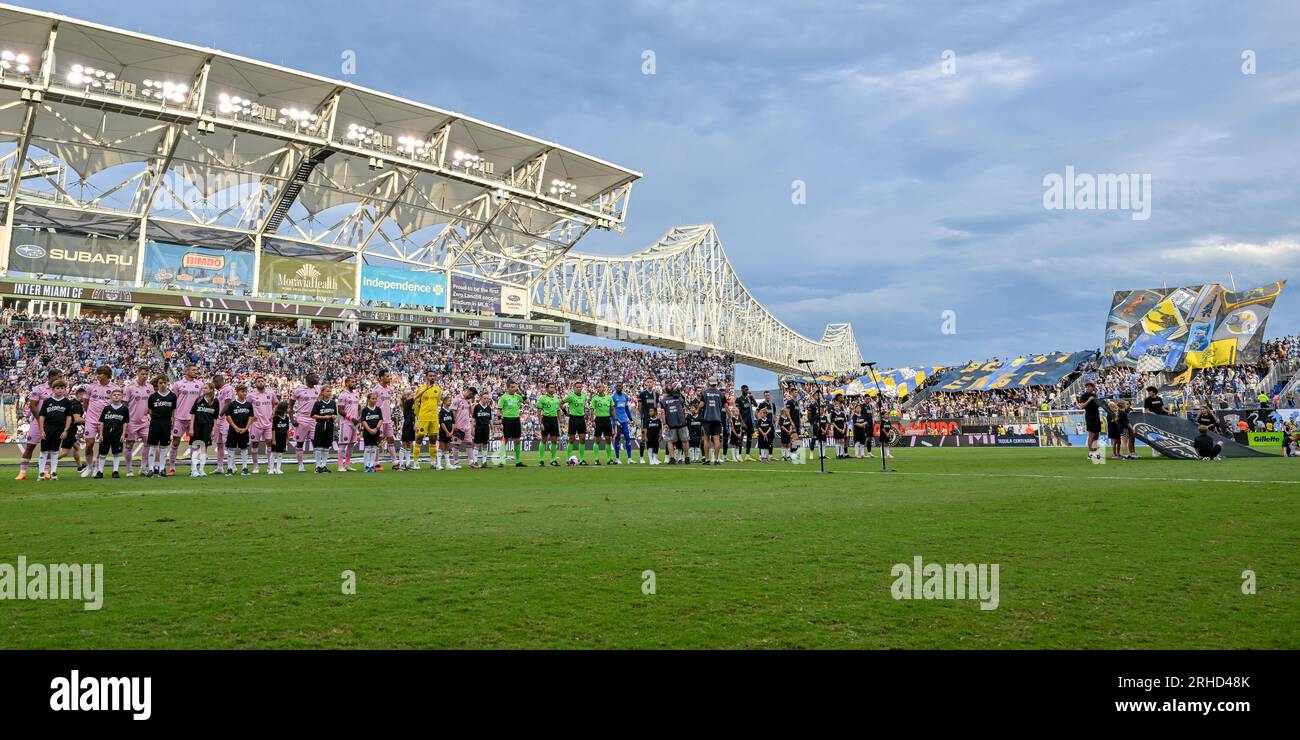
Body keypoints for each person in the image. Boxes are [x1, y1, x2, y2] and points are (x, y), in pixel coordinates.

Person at [16, 368, 61, 481]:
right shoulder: (39, 388)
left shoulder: (60, 390)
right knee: (30, 446)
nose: (60, 379)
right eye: (58, 376)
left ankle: (46, 472)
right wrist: (40, 419)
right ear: (51, 377)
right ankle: (22, 472)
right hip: (37, 423)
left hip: (52, 424)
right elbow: (32, 405)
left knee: (50, 448)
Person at [80, 365, 120, 478]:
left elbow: (116, 404)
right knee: (89, 444)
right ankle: (89, 466)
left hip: (106, 422)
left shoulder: (114, 388)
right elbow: (85, 403)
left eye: (101, 373)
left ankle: (97, 468)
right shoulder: (90, 387)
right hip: (91, 420)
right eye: (97, 373)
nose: (98, 375)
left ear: (107, 375)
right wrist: (89, 415)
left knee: (102, 446)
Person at [168, 365, 204, 478]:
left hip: (194, 418)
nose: (195, 371)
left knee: (195, 444)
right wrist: (172, 416)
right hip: (180, 417)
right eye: (193, 370)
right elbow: (173, 401)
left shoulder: (200, 384)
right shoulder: (178, 384)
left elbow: (200, 401)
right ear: (186, 370)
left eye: (196, 370)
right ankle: (172, 467)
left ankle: (193, 468)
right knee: (175, 442)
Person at [36, 379, 74, 481]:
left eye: (62, 388)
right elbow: (42, 416)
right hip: (48, 427)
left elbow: (69, 417)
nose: (60, 390)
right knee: (44, 451)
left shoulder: (67, 402)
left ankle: (54, 472)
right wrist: (41, 430)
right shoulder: (47, 401)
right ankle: (41, 473)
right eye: (57, 388)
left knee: (55, 451)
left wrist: (66, 430)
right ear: (53, 389)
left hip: (60, 429)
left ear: (65, 389)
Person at [123, 368, 153, 477]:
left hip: (144, 420)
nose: (144, 376)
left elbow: (151, 404)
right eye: (142, 374)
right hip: (131, 421)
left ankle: (143, 468)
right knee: (129, 444)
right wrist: (125, 421)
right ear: (137, 374)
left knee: (148, 443)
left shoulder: (149, 387)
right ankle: (129, 470)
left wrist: (151, 416)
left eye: (146, 374)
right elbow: (124, 405)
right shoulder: (130, 387)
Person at [146, 376, 177, 478]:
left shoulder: (172, 396)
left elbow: (173, 410)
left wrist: (172, 420)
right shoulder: (153, 396)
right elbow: (150, 410)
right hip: (155, 422)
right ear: (157, 384)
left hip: (166, 423)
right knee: (153, 446)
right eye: (160, 383)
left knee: (164, 447)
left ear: (167, 383)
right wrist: (153, 418)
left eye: (164, 382)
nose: (163, 384)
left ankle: (162, 469)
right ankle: (151, 469)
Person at [95, 388, 128, 479]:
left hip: (118, 433)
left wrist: (123, 434)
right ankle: (100, 471)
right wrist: (101, 434)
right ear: (111, 397)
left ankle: (115, 471)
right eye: (114, 395)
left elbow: (125, 422)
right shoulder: (106, 408)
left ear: (122, 397)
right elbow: (102, 422)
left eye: (118, 394)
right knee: (102, 453)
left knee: (116, 453)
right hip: (106, 432)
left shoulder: (124, 409)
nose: (116, 396)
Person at [292, 373, 322, 473]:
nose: (318, 379)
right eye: (316, 377)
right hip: (302, 419)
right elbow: (290, 405)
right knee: (300, 443)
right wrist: (292, 419)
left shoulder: (318, 390)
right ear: (309, 379)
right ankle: (300, 465)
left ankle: (318, 465)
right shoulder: (299, 390)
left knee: (316, 443)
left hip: (314, 419)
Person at [412, 371, 442, 469]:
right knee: (419, 438)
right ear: (426, 377)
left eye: (434, 376)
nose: (432, 377)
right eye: (430, 376)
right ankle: (416, 462)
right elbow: (416, 403)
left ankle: (433, 462)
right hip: (423, 417)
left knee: (433, 439)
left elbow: (437, 403)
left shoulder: (438, 390)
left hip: (434, 418)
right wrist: (417, 417)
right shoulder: (421, 389)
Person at [248, 377, 278, 474]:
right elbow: (246, 406)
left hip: (268, 423)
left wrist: (273, 414)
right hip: (256, 424)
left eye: (262, 381)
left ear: (265, 382)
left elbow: (277, 404)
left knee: (269, 443)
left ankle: (270, 467)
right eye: (258, 381)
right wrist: (251, 416)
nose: (261, 382)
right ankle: (256, 466)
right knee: (255, 444)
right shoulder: (251, 395)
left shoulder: (271, 393)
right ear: (255, 384)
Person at [188, 383, 219, 477]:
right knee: (196, 447)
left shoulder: (215, 401)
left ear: (211, 390)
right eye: (203, 388)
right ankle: (194, 470)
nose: (203, 389)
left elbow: (215, 417)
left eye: (206, 388)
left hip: (207, 427)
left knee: (204, 448)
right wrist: (191, 427)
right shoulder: (198, 399)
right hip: (197, 426)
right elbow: (193, 414)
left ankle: (201, 469)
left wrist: (214, 429)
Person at [224, 384, 255, 476]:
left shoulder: (249, 405)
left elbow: (251, 416)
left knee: (244, 448)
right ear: (237, 392)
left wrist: (246, 428)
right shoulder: (232, 404)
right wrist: (235, 427)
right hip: (233, 429)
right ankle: (230, 468)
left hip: (244, 430)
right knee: (231, 448)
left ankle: (245, 468)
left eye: (245, 391)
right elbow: (228, 417)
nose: (244, 393)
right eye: (242, 391)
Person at [497, 380, 526, 467]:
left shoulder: (518, 396)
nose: (515, 389)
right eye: (512, 387)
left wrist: (520, 392)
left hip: (516, 419)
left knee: (517, 440)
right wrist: (500, 423)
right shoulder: (503, 397)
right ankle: (501, 461)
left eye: (515, 387)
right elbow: (499, 411)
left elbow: (526, 401)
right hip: (507, 420)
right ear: (508, 388)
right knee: (505, 439)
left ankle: (518, 461)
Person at [698, 378, 726, 465]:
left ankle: (707, 459)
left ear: (709, 383)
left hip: (707, 419)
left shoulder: (705, 393)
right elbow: (726, 407)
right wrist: (730, 417)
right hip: (717, 419)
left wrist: (697, 409)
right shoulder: (721, 393)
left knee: (706, 439)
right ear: (716, 383)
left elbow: (702, 405)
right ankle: (716, 460)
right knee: (716, 439)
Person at [310, 386, 338, 473]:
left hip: (329, 425)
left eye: (330, 391)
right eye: (327, 391)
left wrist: (333, 416)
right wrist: (323, 417)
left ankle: (324, 465)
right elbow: (313, 415)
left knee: (326, 446)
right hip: (320, 425)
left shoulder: (333, 403)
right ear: (322, 392)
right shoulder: (318, 403)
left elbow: (335, 414)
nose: (329, 393)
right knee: (319, 446)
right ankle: (318, 466)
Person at [211, 373, 234, 475]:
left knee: (228, 444)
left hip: (226, 419)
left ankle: (232, 466)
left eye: (214, 383)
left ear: (218, 382)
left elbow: (228, 403)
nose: (214, 385)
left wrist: (220, 415)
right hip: (220, 420)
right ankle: (220, 467)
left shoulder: (228, 388)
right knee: (219, 444)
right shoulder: (220, 391)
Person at [59, 387, 86, 473]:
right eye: (85, 396)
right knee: (64, 452)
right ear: (81, 395)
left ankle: (79, 466)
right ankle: (47, 463)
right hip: (69, 429)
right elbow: (77, 419)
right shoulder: (77, 405)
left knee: (76, 447)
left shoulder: (70, 402)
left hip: (65, 427)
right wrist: (89, 422)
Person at [562, 382, 590, 466]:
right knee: (572, 439)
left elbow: (583, 406)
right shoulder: (570, 396)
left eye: (580, 387)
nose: (579, 388)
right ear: (574, 388)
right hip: (573, 418)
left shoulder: (584, 396)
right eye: (577, 387)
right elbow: (560, 403)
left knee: (582, 439)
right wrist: (565, 412)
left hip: (581, 419)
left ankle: (582, 459)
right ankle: (567, 459)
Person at [662, 385, 690, 465]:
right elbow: (682, 401)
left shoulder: (663, 401)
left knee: (670, 441)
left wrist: (664, 423)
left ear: (665, 391)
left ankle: (672, 459)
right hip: (681, 422)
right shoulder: (679, 398)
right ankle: (687, 458)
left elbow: (663, 413)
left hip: (671, 423)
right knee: (685, 440)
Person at [536, 382, 561, 467]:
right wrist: (540, 423)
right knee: (544, 439)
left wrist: (560, 421)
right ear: (546, 389)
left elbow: (558, 410)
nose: (553, 389)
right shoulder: (542, 398)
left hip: (554, 420)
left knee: (554, 440)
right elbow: (539, 411)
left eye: (553, 387)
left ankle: (553, 460)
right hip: (545, 419)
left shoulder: (556, 398)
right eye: (551, 387)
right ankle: (541, 460)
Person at [358, 392, 384, 473]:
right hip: (367, 432)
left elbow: (380, 419)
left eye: (375, 398)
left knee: (374, 448)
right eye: (372, 398)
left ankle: (372, 465)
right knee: (368, 448)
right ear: (368, 400)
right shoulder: (365, 410)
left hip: (376, 432)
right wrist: (369, 429)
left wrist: (376, 429)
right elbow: (363, 421)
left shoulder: (378, 409)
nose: (374, 400)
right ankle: (366, 465)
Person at [637, 380, 661, 465]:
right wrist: (642, 416)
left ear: (653, 383)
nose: (649, 383)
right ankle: (641, 457)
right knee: (644, 437)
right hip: (646, 418)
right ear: (646, 383)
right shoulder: (642, 394)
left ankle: (654, 458)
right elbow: (639, 406)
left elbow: (657, 406)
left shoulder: (656, 394)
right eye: (648, 382)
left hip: (654, 418)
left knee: (654, 437)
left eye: (651, 382)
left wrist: (657, 415)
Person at [1078, 380, 1102, 463]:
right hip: (1089, 417)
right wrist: (1089, 400)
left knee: (1096, 435)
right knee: (1091, 434)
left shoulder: (1095, 395)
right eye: (1087, 386)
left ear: (1093, 387)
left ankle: (1095, 452)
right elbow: (1081, 406)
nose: (1088, 388)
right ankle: (1090, 453)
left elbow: (1098, 405)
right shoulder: (1084, 396)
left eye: (1089, 386)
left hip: (1097, 416)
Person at [591, 384, 615, 465]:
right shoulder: (594, 398)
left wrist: (615, 419)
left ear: (603, 388)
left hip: (607, 419)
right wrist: (593, 421)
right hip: (598, 420)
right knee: (597, 439)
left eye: (599, 387)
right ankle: (596, 459)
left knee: (608, 439)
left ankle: (609, 459)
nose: (598, 388)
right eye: (597, 387)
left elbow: (612, 409)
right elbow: (592, 410)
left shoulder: (609, 398)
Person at [612, 383, 633, 464]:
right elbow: (611, 409)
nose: (618, 387)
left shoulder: (625, 396)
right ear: (615, 387)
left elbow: (627, 408)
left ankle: (629, 458)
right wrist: (614, 420)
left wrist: (630, 418)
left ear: (622, 387)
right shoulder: (613, 397)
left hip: (624, 421)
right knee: (617, 439)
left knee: (628, 437)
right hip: (617, 421)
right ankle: (617, 458)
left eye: (620, 386)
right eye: (617, 386)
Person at [472, 392, 494, 469]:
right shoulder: (477, 407)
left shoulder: (488, 408)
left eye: (487, 398)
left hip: (486, 428)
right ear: (481, 398)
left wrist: (492, 428)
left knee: (485, 444)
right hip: (478, 427)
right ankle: (475, 461)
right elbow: (474, 418)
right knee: (477, 444)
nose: (486, 400)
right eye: (485, 398)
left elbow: (490, 419)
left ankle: (484, 462)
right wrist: (472, 429)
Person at [269, 401, 292, 475]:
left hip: (283, 437)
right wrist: (273, 439)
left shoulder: (287, 418)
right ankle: (271, 469)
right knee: (273, 453)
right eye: (288, 407)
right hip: (276, 437)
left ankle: (278, 469)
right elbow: (274, 429)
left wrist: (288, 438)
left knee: (280, 454)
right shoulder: (276, 418)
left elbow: (287, 429)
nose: (289, 409)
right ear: (284, 408)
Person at [735, 385, 756, 462]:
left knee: (749, 438)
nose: (747, 390)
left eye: (747, 389)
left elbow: (756, 405)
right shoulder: (738, 399)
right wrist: (742, 422)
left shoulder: (749, 398)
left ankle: (747, 455)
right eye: (745, 389)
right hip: (743, 422)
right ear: (742, 390)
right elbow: (738, 412)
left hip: (750, 421)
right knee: (740, 438)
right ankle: (739, 455)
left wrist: (752, 396)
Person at [399, 391, 417, 470]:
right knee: (404, 445)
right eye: (410, 395)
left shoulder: (411, 406)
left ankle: (407, 464)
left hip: (411, 426)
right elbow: (416, 398)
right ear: (406, 397)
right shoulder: (407, 403)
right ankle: (401, 464)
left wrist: (416, 423)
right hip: (407, 426)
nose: (412, 396)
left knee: (409, 445)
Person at [437, 401, 457, 470]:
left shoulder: (450, 412)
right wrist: (447, 432)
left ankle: (448, 464)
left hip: (449, 433)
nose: (450, 402)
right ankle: (438, 464)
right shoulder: (442, 411)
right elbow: (441, 423)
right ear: (445, 402)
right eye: (449, 401)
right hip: (443, 432)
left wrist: (451, 432)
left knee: (447, 448)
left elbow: (453, 423)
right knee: (441, 447)